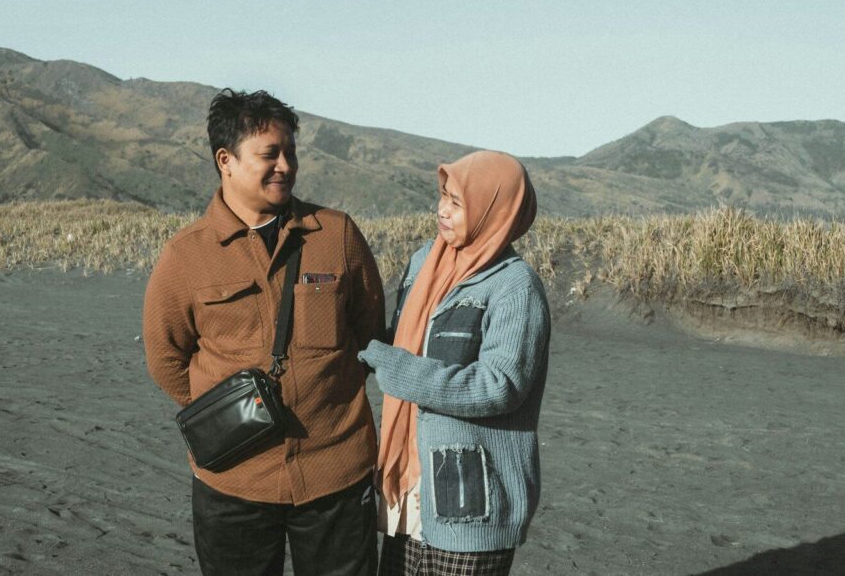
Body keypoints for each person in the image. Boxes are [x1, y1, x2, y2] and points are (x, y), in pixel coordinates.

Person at [143, 89, 385, 576]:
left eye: (290, 152)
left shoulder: (336, 234)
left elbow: (369, 335)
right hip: (233, 479)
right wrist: (226, 412)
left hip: (335, 473)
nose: (285, 166)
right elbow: (165, 358)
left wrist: (323, 401)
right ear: (225, 160)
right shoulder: (186, 255)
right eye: (270, 154)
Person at [358, 150, 551, 575]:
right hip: (408, 487)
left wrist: (401, 372)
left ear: (494, 211)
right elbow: (405, 339)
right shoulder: (425, 262)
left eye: (458, 203)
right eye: (443, 196)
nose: (442, 210)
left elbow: (500, 385)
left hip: (470, 498)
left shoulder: (516, 287)